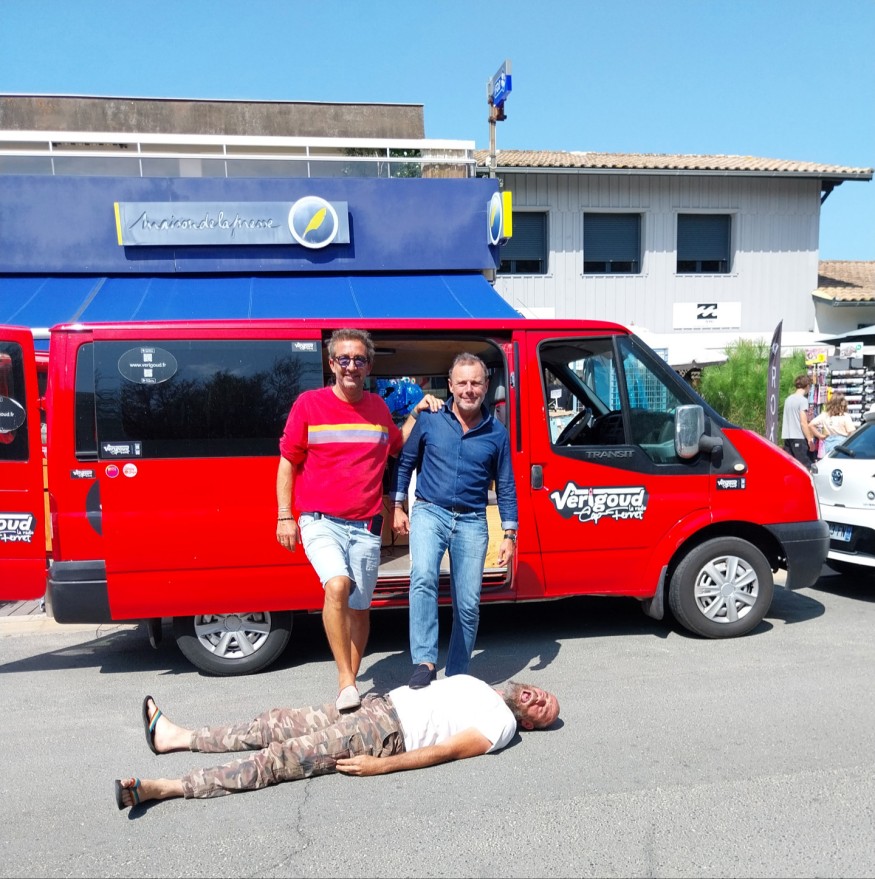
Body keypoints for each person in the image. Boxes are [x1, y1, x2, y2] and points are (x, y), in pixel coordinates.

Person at [276, 328, 439, 712]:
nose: (351, 366)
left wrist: (417, 411)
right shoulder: (309, 404)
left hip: (365, 526)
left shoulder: (378, 408)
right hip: (320, 521)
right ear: (332, 363)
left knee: (361, 607)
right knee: (337, 585)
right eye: (344, 359)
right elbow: (287, 462)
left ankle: (351, 673)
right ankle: (345, 681)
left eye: (359, 359)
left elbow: (396, 445)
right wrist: (285, 516)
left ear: (368, 365)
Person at [114, 679, 560, 810]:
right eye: (544, 694)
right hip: (374, 708)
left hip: (382, 735)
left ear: (529, 724)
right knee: (272, 724)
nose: (540, 698)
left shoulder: (503, 724)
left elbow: (447, 751)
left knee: (277, 760)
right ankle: (177, 737)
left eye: (543, 709)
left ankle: (166, 787)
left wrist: (382, 766)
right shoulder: (484, 686)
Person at [391, 353, 518, 689]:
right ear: (450, 385)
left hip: (473, 520)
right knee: (423, 577)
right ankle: (425, 662)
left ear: (486, 386)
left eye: (475, 382)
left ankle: (458, 674)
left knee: (469, 602)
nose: (468, 389)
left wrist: (509, 534)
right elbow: (405, 462)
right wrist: (398, 505)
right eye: (462, 383)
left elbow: (506, 485)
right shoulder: (430, 419)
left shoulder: (497, 433)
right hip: (430, 511)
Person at [781, 373, 817, 469]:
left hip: (787, 437)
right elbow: (803, 422)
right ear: (807, 386)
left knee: (790, 466)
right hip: (799, 437)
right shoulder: (802, 400)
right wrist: (810, 440)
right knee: (805, 466)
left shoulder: (788, 399)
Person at [810, 392, 856, 456]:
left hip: (828, 442)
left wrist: (820, 436)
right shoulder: (845, 416)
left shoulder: (825, 415)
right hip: (842, 443)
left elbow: (811, 425)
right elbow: (851, 432)